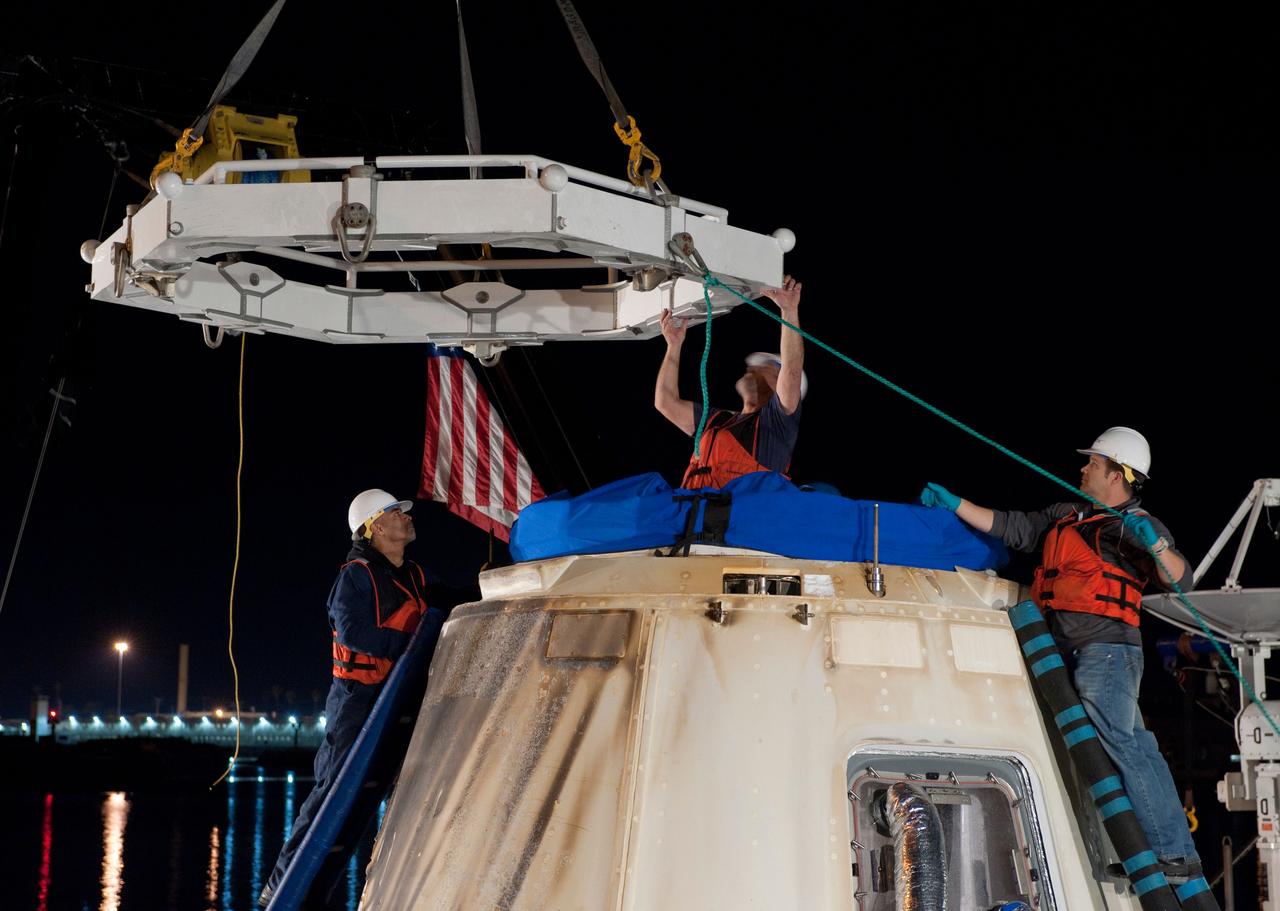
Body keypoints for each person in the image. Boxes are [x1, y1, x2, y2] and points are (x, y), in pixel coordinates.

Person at [919, 427, 1201, 881]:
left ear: (1118, 474)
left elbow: (1181, 582)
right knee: (1121, 748)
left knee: (1124, 747)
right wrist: (957, 505)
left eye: (1093, 462)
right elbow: (1014, 527)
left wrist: (1157, 545)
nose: (1083, 467)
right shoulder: (1067, 515)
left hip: (1107, 652)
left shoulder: (1130, 525)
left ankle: (1170, 852)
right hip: (1077, 652)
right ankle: (1159, 852)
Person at [259, 488, 435, 908]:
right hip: (357, 700)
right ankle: (278, 886)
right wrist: (412, 644)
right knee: (331, 788)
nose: (407, 517)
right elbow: (355, 633)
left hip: (397, 695)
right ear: (373, 527)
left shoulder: (412, 574)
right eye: (396, 512)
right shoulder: (355, 576)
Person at [654, 275, 806, 489]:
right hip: (692, 516)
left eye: (765, 366)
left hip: (733, 521)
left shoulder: (776, 426)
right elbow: (665, 402)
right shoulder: (718, 420)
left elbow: (792, 370)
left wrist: (789, 310)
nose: (754, 368)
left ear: (778, 384)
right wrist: (674, 345)